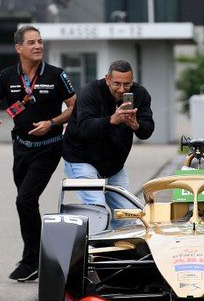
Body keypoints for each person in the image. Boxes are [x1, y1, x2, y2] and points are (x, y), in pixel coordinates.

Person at [0, 24, 76, 281]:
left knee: (24, 200)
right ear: (18, 48)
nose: (38, 46)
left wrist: (53, 123)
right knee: (26, 203)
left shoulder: (56, 75)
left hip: (49, 148)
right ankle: (33, 257)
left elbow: (74, 108)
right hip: (21, 149)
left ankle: (32, 260)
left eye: (40, 42)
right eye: (31, 42)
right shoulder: (6, 76)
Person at [62, 60, 154, 214]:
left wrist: (136, 125)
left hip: (114, 164)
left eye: (127, 84)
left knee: (126, 215)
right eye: (117, 83)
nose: (122, 89)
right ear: (107, 79)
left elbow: (148, 130)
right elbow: (84, 129)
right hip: (81, 158)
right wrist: (111, 120)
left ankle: (116, 238)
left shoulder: (140, 94)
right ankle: (96, 237)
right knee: (99, 210)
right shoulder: (89, 92)